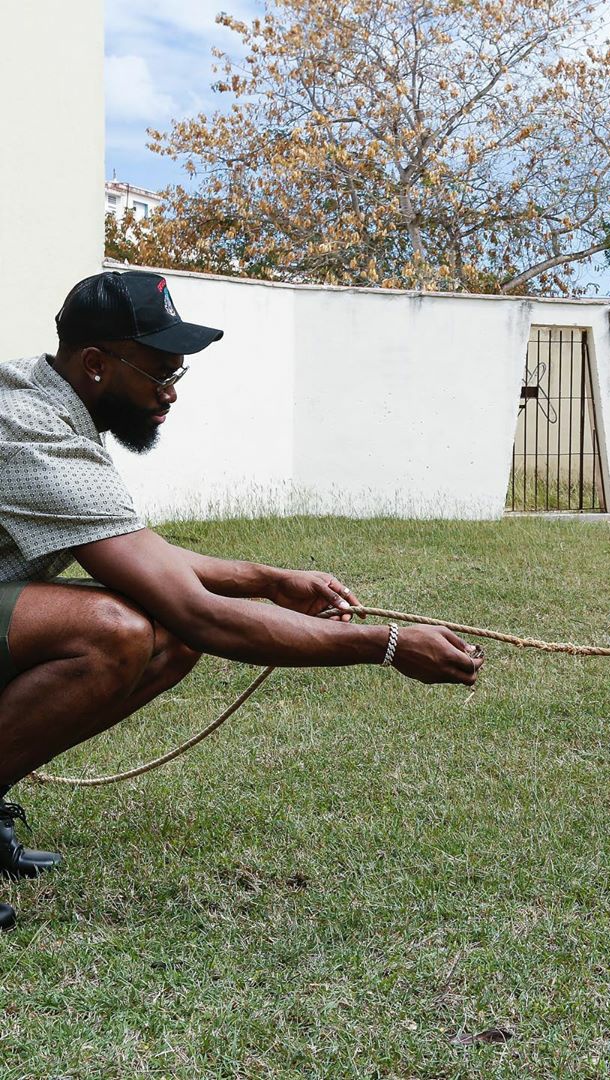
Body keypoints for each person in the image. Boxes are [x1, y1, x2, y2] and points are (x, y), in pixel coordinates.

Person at [0, 270, 482, 930]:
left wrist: (268, 578)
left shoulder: (47, 395)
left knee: (168, 637)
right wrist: (389, 645)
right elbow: (200, 609)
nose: (170, 394)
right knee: (117, 631)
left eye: (179, 375)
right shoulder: (35, 435)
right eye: (158, 373)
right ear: (95, 364)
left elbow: (147, 562)